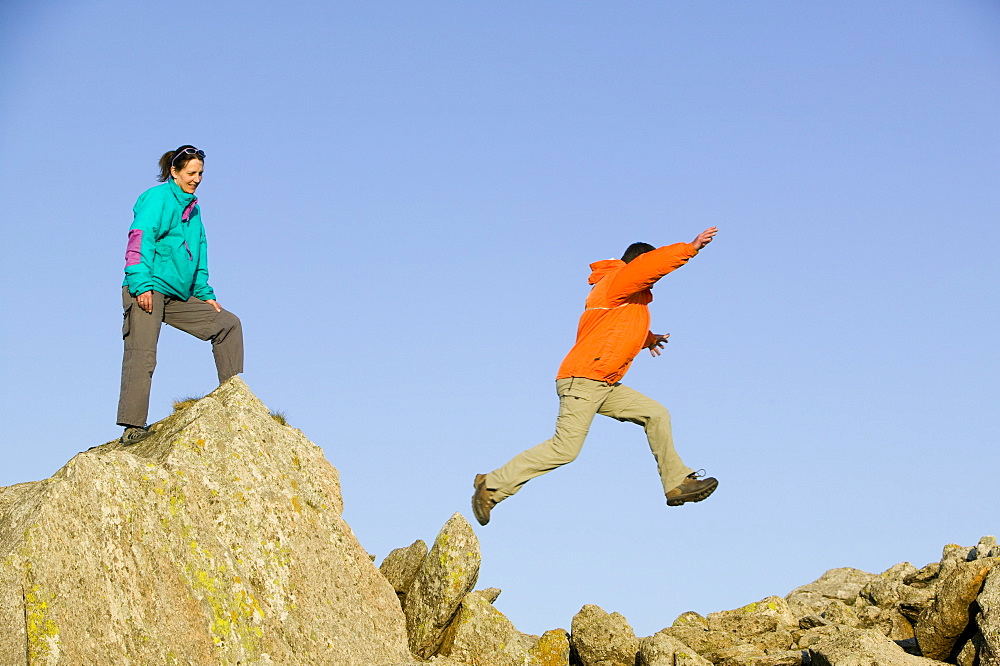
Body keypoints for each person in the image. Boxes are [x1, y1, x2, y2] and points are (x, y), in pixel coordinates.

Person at [471, 227, 719, 525]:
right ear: (637, 263)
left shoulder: (625, 298)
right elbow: (648, 268)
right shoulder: (616, 280)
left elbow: (614, 331)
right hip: (583, 379)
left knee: (656, 414)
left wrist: (648, 339)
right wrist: (689, 248)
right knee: (565, 449)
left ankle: (678, 482)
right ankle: (492, 485)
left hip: (603, 382)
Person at [116, 145, 243, 444]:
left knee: (228, 324)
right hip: (149, 287)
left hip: (179, 295)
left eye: (200, 173)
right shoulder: (156, 198)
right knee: (143, 354)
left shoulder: (194, 210)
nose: (197, 178)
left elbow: (199, 255)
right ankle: (133, 426)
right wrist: (140, 283)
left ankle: (235, 401)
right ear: (174, 172)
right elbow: (139, 238)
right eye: (191, 173)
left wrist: (204, 293)